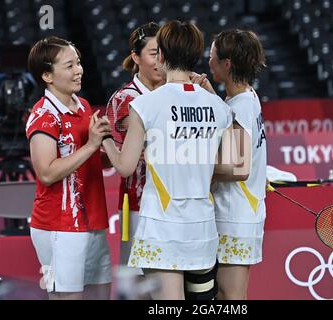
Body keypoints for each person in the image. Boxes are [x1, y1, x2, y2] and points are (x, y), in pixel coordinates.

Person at [102, 20, 242, 300]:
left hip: (161, 228)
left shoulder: (144, 104)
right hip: (202, 229)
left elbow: (126, 166)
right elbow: (236, 165)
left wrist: (104, 138)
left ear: (162, 56)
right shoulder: (218, 106)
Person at [25, 36, 112, 300]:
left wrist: (106, 148)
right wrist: (91, 145)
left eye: (79, 63)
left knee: (101, 294)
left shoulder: (83, 105)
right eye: (69, 65)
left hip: (93, 220)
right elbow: (47, 173)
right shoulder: (43, 116)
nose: (79, 70)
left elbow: (89, 161)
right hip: (58, 227)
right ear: (47, 75)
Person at [200, 29, 267, 300]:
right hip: (240, 214)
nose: (209, 62)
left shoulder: (241, 107)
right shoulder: (245, 98)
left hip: (235, 216)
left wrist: (195, 170)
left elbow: (238, 168)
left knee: (231, 295)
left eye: (213, 56)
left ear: (227, 64)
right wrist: (210, 94)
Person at [106, 22, 165, 267]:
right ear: (135, 57)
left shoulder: (176, 94)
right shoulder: (124, 100)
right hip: (140, 206)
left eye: (165, 53)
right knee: (139, 285)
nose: (161, 61)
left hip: (177, 206)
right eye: (153, 54)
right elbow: (123, 161)